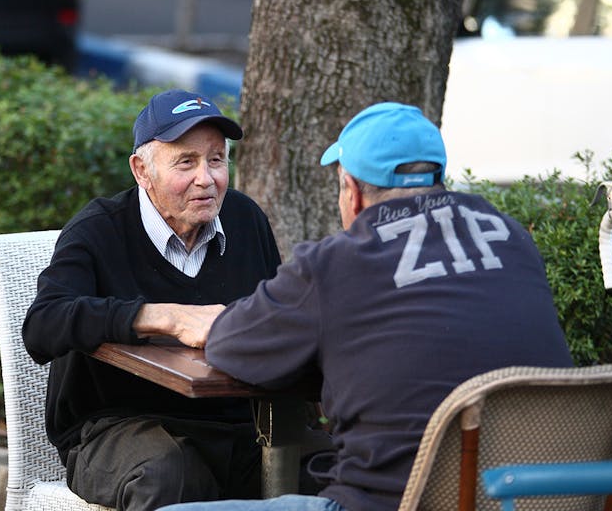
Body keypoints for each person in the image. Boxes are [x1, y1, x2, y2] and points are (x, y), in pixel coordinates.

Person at [158, 101, 573, 511]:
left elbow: (230, 346)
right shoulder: (512, 237)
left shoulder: (336, 263)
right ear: (439, 178)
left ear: (352, 192)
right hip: (530, 499)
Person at [22, 89, 283, 511]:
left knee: (328, 465)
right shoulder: (98, 230)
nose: (206, 178)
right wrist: (164, 317)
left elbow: (278, 316)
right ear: (142, 170)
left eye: (216, 160)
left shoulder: (245, 219)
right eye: (186, 162)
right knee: (169, 473)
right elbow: (43, 324)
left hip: (236, 426)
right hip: (117, 428)